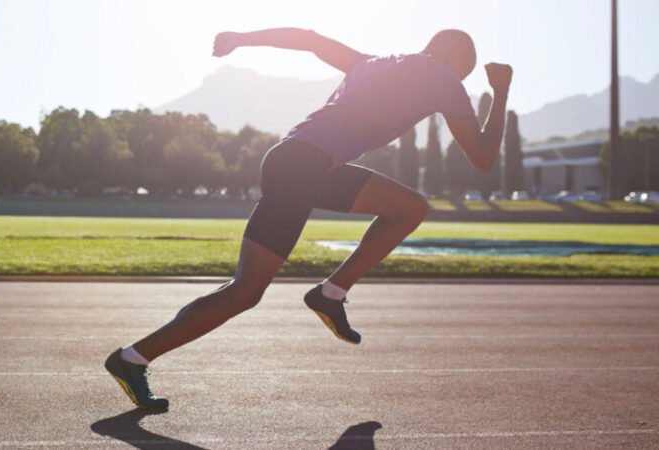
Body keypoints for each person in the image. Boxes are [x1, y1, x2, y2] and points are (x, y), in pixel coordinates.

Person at [104, 27, 513, 411]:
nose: (459, 83)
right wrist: (499, 91)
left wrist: (242, 38)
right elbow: (482, 157)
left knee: (410, 207)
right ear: (453, 57)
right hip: (305, 169)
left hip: (299, 160)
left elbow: (309, 39)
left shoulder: (370, 62)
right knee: (245, 291)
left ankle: (330, 294)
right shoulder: (442, 77)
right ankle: (132, 358)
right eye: (464, 72)